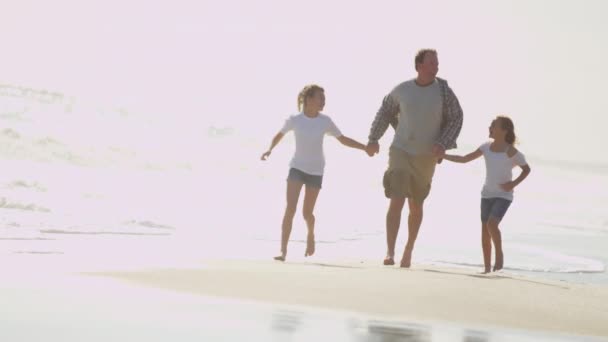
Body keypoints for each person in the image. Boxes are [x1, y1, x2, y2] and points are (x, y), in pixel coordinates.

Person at [366, 49, 463, 268]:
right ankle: (390, 252)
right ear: (419, 65)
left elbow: (457, 117)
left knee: (416, 205)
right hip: (400, 149)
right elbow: (384, 112)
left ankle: (408, 249)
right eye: (431, 63)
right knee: (397, 199)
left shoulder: (444, 91)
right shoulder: (402, 90)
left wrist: (443, 143)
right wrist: (373, 138)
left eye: (437, 63)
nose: (435, 67)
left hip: (426, 155)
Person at [261, 84, 367, 261]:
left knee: (307, 213)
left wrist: (364, 148)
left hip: (316, 171)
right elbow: (279, 135)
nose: (323, 101)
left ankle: (310, 234)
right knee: (290, 208)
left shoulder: (325, 121)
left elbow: (343, 139)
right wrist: (269, 149)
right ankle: (283, 251)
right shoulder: (295, 119)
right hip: (296, 168)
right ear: (309, 99)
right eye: (320, 97)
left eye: (324, 98)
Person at [442, 115, 531, 273]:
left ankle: (499, 256)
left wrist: (513, 183)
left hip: (504, 195)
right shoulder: (486, 147)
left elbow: (526, 169)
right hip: (487, 194)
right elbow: (465, 159)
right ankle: (487, 268)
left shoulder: (510, 151)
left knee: (492, 224)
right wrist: (443, 156)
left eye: (494, 125)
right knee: (485, 230)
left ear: (504, 130)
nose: (490, 128)